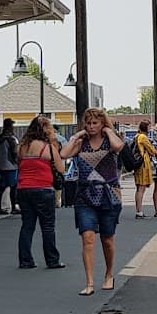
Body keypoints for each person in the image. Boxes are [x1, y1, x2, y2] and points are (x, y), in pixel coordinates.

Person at [62, 108, 126, 295]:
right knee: (88, 237)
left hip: (109, 195)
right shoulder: (81, 143)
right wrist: (76, 137)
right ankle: (89, 282)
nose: (91, 127)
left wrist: (108, 131)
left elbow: (119, 147)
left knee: (107, 238)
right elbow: (65, 154)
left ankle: (109, 274)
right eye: (88, 123)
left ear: (101, 123)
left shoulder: (109, 140)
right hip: (85, 196)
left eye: (95, 123)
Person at [16, 115, 65, 270]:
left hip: (24, 189)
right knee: (48, 226)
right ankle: (52, 260)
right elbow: (61, 169)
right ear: (46, 130)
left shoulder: (23, 147)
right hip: (43, 189)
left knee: (27, 226)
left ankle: (25, 260)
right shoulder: (48, 147)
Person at [131, 119, 157, 219]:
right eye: (149, 126)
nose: (150, 128)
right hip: (143, 164)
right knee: (141, 188)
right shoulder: (142, 137)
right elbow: (151, 150)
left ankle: (139, 210)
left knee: (138, 188)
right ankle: (139, 212)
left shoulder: (137, 136)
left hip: (138, 165)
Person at [0, 118, 19, 214]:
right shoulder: (11, 139)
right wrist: (18, 162)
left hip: (2, 165)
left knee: (2, 187)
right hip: (11, 165)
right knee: (13, 186)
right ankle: (13, 207)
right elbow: (14, 152)